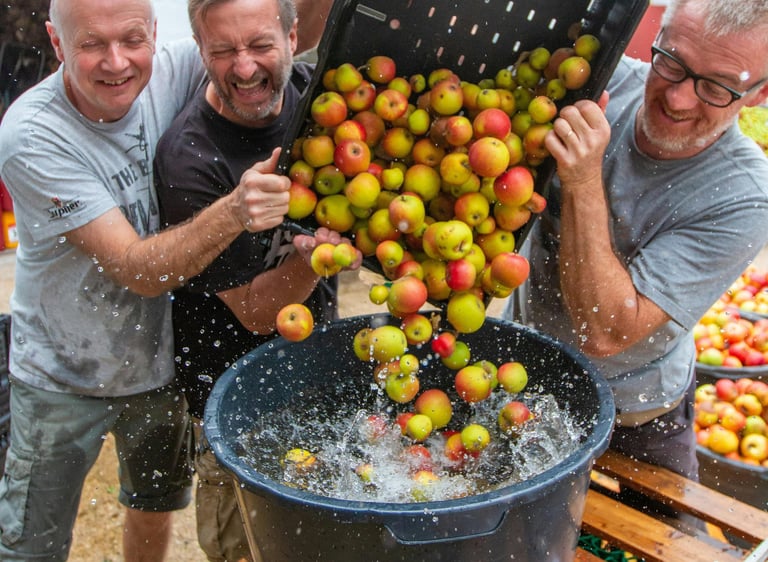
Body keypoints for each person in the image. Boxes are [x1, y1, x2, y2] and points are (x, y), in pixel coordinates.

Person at [0, 0, 328, 559]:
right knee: (33, 541)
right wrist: (235, 211)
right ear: (57, 44)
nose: (116, 62)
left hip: (155, 359)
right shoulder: (32, 133)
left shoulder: (177, 65)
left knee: (154, 504)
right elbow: (135, 270)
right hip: (63, 369)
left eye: (132, 39)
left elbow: (279, 33)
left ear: (155, 33)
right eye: (91, 45)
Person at [504, 0, 768, 509]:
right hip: (526, 375)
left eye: (716, 87)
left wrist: (583, 179)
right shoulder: (605, 86)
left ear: (759, 94)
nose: (677, 97)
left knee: (666, 536)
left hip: (638, 416)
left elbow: (605, 329)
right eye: (670, 61)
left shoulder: (744, 196)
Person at [153, 0, 347, 560]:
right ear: (201, 52)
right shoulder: (191, 159)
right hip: (232, 409)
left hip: (314, 374)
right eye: (223, 51)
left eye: (260, 45)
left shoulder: (321, 101)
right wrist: (313, 260)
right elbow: (260, 313)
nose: (243, 69)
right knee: (246, 549)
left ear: (292, 37)